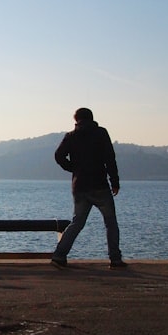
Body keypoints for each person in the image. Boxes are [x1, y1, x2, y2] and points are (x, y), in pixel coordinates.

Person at [51, 107, 127, 269]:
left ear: (76, 120)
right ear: (92, 118)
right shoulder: (101, 133)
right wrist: (115, 182)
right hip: (99, 185)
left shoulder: (71, 136)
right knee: (110, 223)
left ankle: (59, 255)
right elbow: (110, 158)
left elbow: (58, 156)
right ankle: (115, 259)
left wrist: (73, 168)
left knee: (77, 222)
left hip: (80, 186)